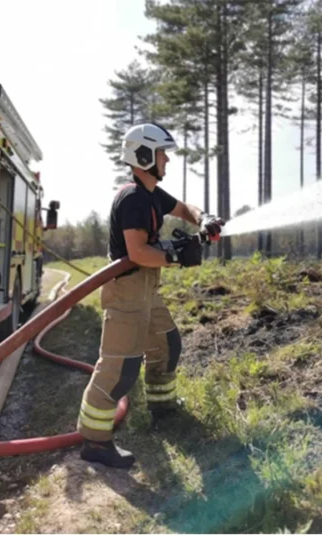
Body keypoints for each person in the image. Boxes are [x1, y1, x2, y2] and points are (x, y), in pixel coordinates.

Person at [76, 123, 224, 469]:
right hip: (126, 290)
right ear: (144, 156)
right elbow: (138, 252)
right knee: (120, 368)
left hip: (147, 288)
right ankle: (94, 441)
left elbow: (183, 209)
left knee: (167, 344)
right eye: (162, 154)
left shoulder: (153, 194)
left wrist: (204, 220)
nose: (167, 160)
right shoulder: (133, 199)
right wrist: (176, 257)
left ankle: (163, 409)